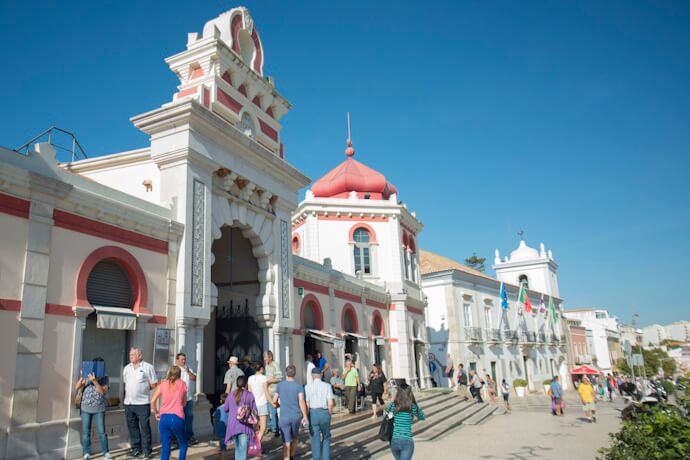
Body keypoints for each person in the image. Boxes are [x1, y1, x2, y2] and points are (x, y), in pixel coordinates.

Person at [123, 347, 158, 459]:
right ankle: (136, 449)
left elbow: (154, 383)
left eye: (133, 354)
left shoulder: (148, 367)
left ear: (140, 356)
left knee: (144, 428)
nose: (130, 356)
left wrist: (143, 389)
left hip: (142, 403)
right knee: (132, 428)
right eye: (130, 354)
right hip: (128, 403)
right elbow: (126, 382)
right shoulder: (127, 368)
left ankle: (147, 451)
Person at [76, 357, 113, 460]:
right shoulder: (86, 375)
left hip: (99, 409)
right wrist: (82, 380)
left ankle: (106, 453)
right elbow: (77, 387)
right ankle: (86, 453)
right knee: (86, 432)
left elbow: (102, 392)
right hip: (85, 407)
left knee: (102, 432)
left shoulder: (105, 377)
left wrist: (95, 381)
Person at [272, 365, 309, 460]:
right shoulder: (299, 386)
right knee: (295, 437)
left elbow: (274, 400)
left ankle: (287, 458)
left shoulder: (280, 385)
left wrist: (277, 404)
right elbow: (301, 401)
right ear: (295, 374)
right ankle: (292, 456)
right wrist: (305, 416)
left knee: (286, 442)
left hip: (284, 417)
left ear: (285, 373)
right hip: (296, 416)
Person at [151, 366, 188, 460]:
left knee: (165, 447)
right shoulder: (182, 384)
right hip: (177, 417)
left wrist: (155, 412)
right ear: (179, 374)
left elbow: (153, 400)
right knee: (183, 444)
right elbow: (184, 402)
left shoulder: (163, 384)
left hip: (164, 417)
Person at [387, 382, 425, 460]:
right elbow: (422, 417)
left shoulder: (395, 406)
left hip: (394, 441)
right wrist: (415, 403)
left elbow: (387, 414)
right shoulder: (412, 407)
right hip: (406, 440)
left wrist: (392, 401)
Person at [223, 375, 258, 460]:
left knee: (238, 449)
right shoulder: (249, 395)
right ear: (245, 384)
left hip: (233, 425)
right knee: (242, 450)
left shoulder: (231, 395)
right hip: (244, 426)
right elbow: (255, 411)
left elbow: (225, 408)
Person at [305, 367, 335, 460]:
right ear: (321, 375)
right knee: (326, 437)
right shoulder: (327, 386)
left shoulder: (307, 387)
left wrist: (305, 416)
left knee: (315, 440)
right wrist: (329, 414)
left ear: (312, 376)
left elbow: (307, 404)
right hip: (324, 412)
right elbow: (330, 403)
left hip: (313, 413)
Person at [175, 353, 198, 445]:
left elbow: (194, 378)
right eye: (181, 359)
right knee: (178, 419)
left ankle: (189, 437)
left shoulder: (189, 368)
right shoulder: (174, 369)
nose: (183, 361)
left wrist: (188, 372)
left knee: (189, 418)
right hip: (178, 400)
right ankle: (177, 438)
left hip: (188, 398)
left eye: (184, 359)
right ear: (177, 360)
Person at [247, 363, 270, 444]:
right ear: (261, 369)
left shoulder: (250, 378)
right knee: (263, 427)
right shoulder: (264, 378)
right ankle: (256, 443)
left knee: (255, 427)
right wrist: (271, 402)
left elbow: (249, 392)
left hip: (253, 404)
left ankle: (256, 444)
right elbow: (266, 391)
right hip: (262, 403)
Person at [264, 350, 283, 437]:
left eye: (266, 357)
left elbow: (279, 378)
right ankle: (270, 427)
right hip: (267, 391)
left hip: (273, 391)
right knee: (268, 410)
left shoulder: (275, 365)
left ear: (270, 357)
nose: (264, 359)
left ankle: (275, 429)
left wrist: (268, 382)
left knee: (273, 410)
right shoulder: (267, 366)